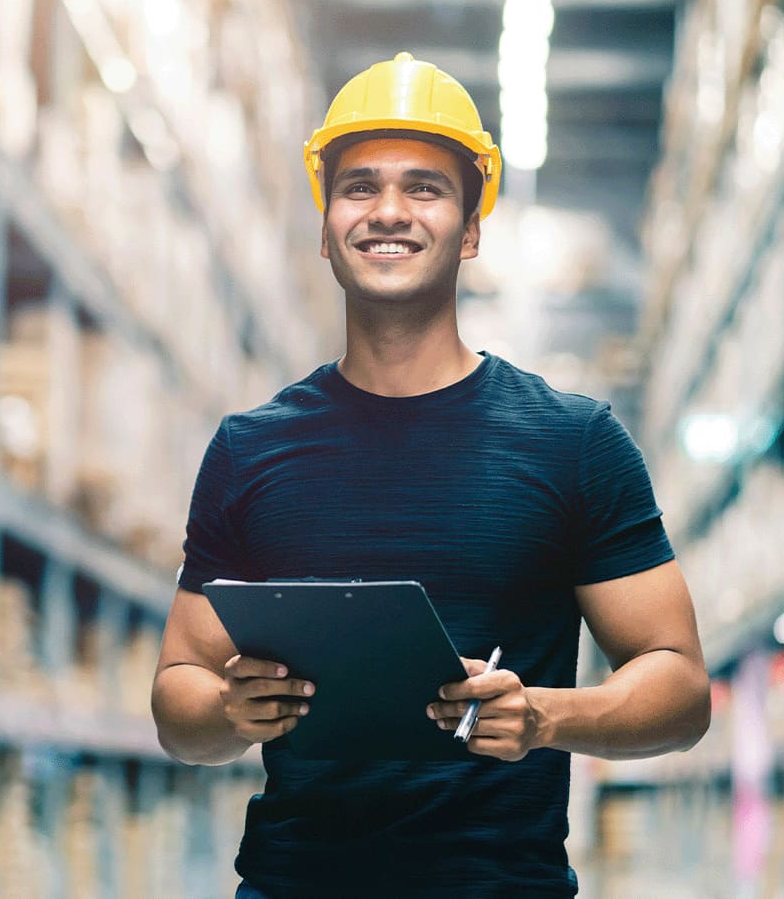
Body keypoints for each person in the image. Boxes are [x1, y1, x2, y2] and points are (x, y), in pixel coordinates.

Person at [149, 52, 710, 897]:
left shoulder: (574, 441)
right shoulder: (249, 450)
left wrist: (548, 715)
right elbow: (177, 695)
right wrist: (228, 711)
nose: (387, 212)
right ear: (326, 222)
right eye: (359, 186)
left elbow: (681, 685)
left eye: (424, 188)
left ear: (471, 228)